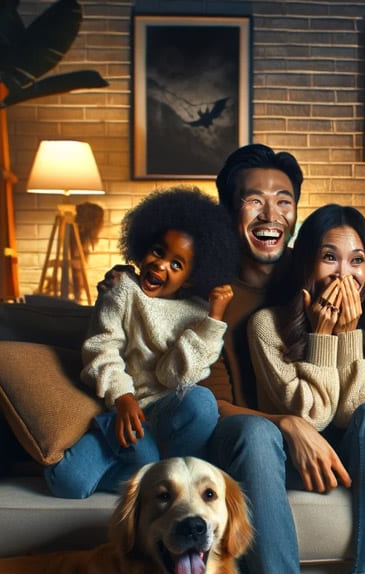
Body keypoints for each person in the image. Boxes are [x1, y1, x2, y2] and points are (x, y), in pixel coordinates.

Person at [202, 145, 365, 574]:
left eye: (283, 201)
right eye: (254, 200)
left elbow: (357, 409)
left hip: (330, 441)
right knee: (262, 430)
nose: (270, 214)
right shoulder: (208, 289)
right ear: (229, 209)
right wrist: (290, 421)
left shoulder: (308, 276)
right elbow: (202, 402)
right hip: (244, 443)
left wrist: (340, 335)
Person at [46, 187, 235, 500]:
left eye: (177, 264)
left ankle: (159, 470)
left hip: (164, 414)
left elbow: (173, 377)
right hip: (121, 407)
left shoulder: (200, 314)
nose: (161, 266)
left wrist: (213, 320)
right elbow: (101, 349)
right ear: (144, 246)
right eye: (159, 252)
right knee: (68, 484)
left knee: (201, 402)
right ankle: (130, 454)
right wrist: (123, 397)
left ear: (190, 278)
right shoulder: (122, 289)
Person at [246, 202, 365, 570]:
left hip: (357, 456)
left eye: (357, 260)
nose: (343, 274)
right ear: (307, 263)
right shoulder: (266, 325)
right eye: (330, 257)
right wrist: (323, 337)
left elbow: (352, 413)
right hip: (296, 459)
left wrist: (348, 335)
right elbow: (314, 416)